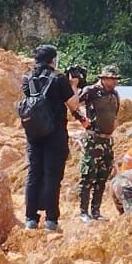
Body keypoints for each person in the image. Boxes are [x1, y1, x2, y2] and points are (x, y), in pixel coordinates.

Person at [21, 44, 82, 232]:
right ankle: (50, 220)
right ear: (52, 60)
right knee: (52, 176)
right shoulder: (58, 79)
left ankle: (30, 218)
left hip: (33, 134)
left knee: (34, 174)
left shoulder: (27, 78)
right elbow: (73, 105)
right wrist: (73, 85)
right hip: (55, 134)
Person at [75, 65, 122, 222]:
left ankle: (96, 211)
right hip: (93, 139)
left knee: (102, 176)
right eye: (111, 79)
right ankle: (83, 211)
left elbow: (114, 114)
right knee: (88, 175)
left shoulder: (114, 94)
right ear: (103, 78)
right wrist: (82, 120)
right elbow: (73, 104)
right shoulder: (91, 91)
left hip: (107, 140)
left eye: (115, 79)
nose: (114, 82)